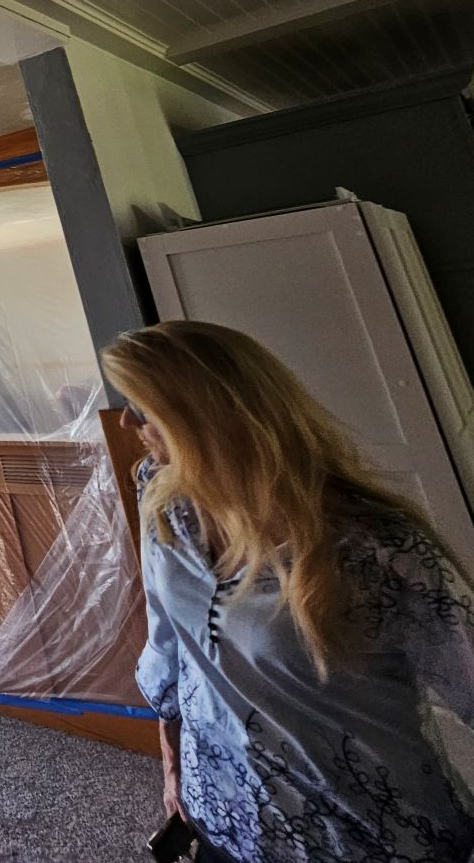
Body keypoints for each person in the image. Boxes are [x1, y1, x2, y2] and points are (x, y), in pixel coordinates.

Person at [101, 320, 474, 863]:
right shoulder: (159, 494)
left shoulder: (375, 547)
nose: (129, 421)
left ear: (207, 416)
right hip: (220, 817)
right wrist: (173, 762)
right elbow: (169, 641)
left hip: (357, 839)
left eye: (143, 405)